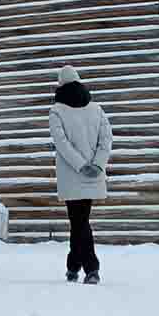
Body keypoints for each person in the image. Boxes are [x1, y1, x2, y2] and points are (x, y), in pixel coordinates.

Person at [48, 65, 112, 284]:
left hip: (72, 176)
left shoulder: (56, 111)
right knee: (80, 220)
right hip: (92, 174)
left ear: (60, 84)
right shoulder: (97, 109)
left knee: (79, 221)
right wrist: (97, 164)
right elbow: (106, 139)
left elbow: (61, 143)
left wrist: (80, 165)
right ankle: (73, 266)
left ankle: (91, 269)